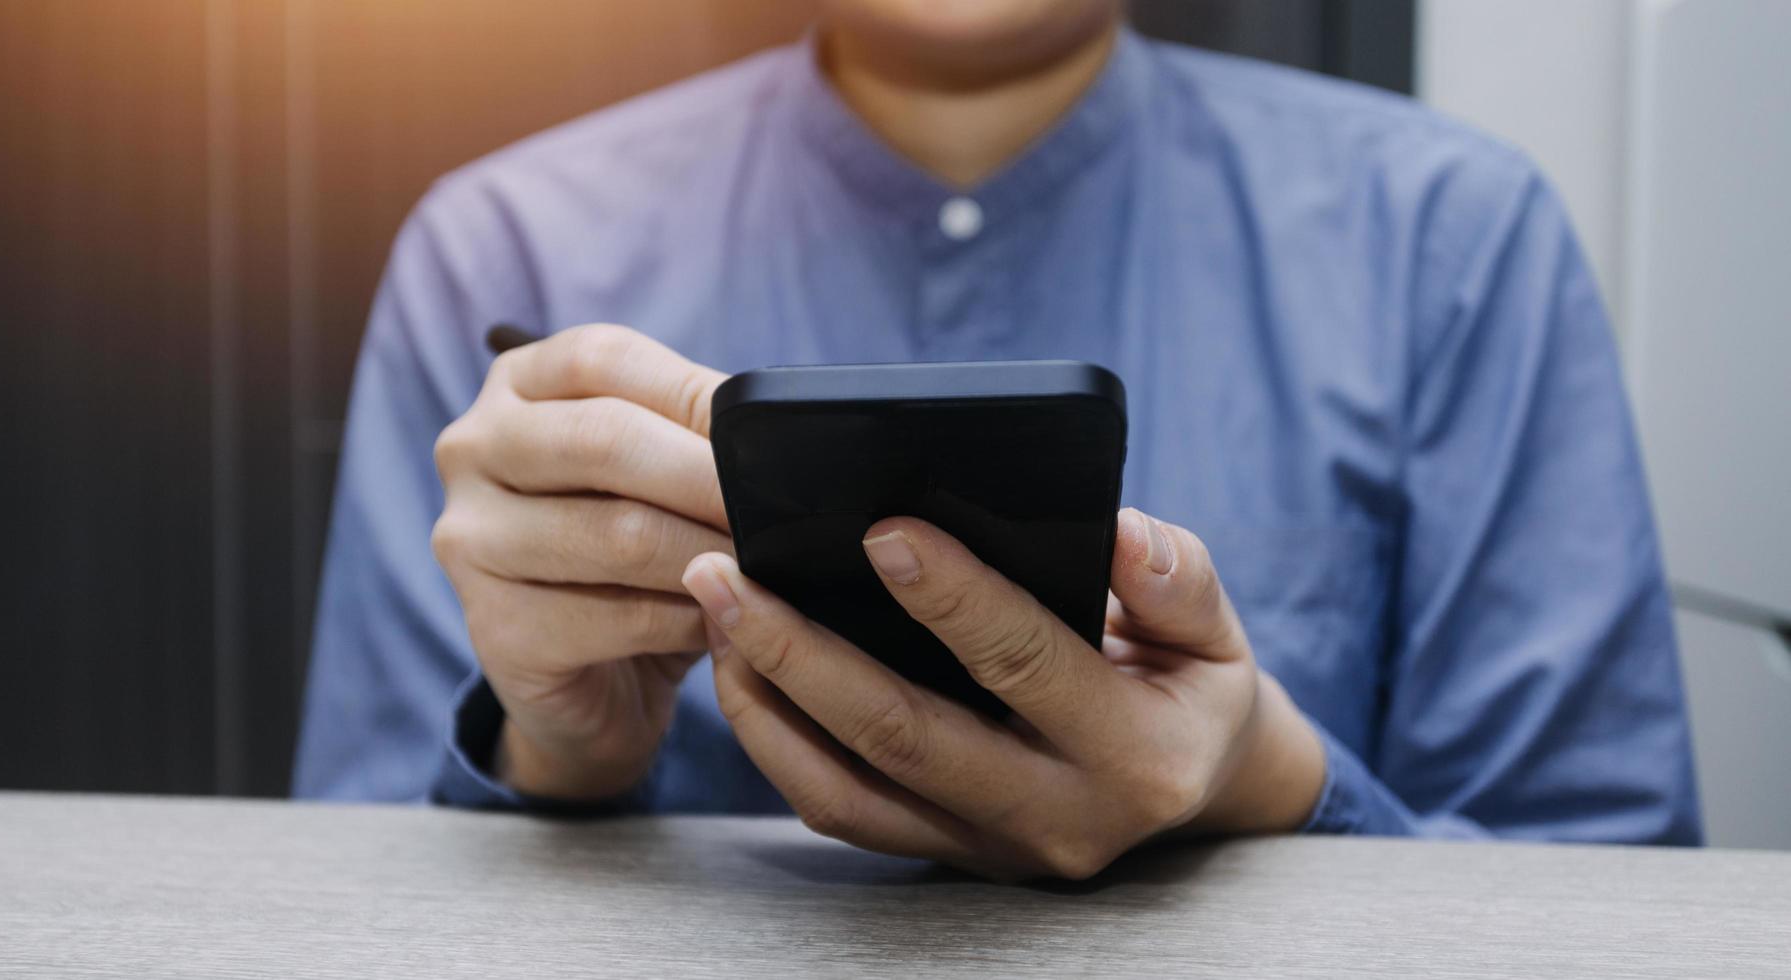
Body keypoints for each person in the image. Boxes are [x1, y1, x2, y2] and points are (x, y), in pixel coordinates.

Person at [293, 0, 1702, 877]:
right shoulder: (507, 256)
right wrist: (562, 754)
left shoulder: (1450, 242)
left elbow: (1613, 898)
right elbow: (335, 897)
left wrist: (1273, 777)